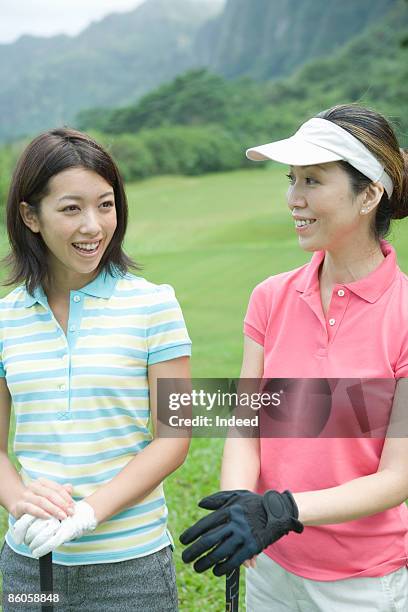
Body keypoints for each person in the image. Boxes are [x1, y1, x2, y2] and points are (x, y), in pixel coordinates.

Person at [180, 104, 408, 611]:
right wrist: (240, 506)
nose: (293, 199)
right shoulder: (270, 297)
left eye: (312, 181)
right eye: (291, 180)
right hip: (272, 564)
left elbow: (397, 478)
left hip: (362, 582)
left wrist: (282, 509)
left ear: (369, 194)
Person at [0, 128, 191, 611]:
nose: (93, 226)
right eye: (71, 208)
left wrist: (88, 512)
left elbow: (174, 438)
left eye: (105, 205)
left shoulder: (154, 305)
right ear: (30, 216)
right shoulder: (4, 318)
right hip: (28, 568)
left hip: (132, 571)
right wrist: (19, 500)